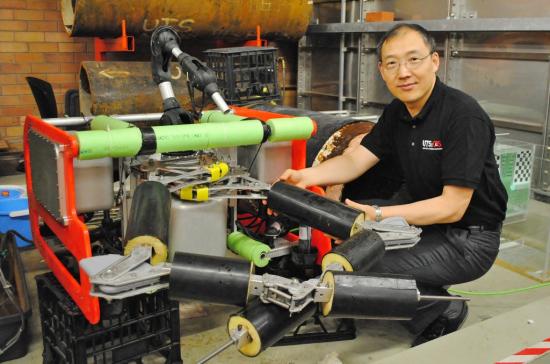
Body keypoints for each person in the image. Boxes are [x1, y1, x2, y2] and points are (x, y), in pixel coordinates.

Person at [279, 23, 508, 346]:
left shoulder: (463, 117)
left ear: (435, 61)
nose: (404, 72)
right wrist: (306, 176)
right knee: (345, 238)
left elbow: (452, 206)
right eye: (392, 63)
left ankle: (442, 309)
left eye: (414, 59)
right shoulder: (398, 112)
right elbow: (357, 161)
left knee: (356, 262)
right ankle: (424, 284)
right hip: (425, 222)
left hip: (468, 239)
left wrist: (375, 215)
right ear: (381, 70)